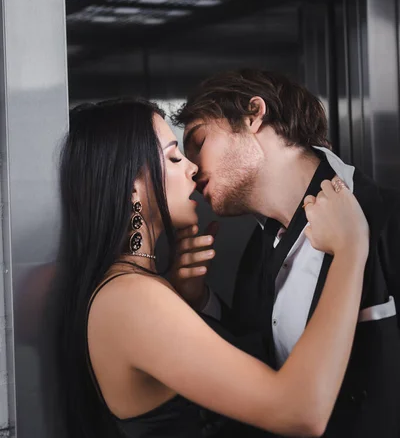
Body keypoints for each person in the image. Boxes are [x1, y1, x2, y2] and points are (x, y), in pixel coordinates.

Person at [57, 97, 369, 438]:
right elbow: (300, 412)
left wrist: (188, 299)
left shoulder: (132, 289)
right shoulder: (130, 297)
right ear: (132, 183)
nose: (192, 167)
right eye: (174, 157)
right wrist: (351, 249)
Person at [172, 69, 400, 438]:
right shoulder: (256, 251)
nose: (193, 167)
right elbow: (259, 362)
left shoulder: (389, 220)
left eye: (199, 140)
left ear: (253, 114)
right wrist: (202, 301)